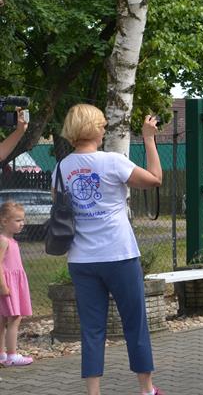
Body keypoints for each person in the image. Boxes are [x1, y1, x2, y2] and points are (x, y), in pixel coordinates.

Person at [56, 104, 164, 395]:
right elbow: (155, 179)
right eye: (102, 125)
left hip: (81, 259)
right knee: (134, 324)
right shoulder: (112, 162)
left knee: (92, 329)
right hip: (119, 255)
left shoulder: (61, 167)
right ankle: (146, 389)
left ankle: (94, 392)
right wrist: (149, 138)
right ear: (93, 128)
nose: (105, 129)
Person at [0, 201, 33, 367]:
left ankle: (2, 354)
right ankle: (12, 355)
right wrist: (3, 286)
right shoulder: (3, 241)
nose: (22, 224)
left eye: (22, 220)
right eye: (18, 220)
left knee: (4, 319)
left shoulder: (12, 241)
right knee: (14, 318)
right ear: (5, 221)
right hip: (7, 284)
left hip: (13, 282)